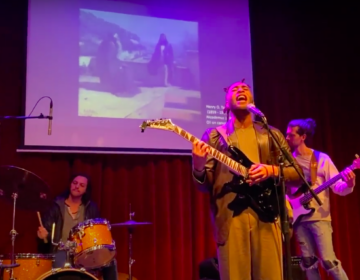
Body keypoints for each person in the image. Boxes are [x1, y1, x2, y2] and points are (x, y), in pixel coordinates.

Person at [192, 80, 303, 280]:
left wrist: (271, 170)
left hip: (268, 216)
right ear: (226, 104)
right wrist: (198, 164)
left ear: (252, 101)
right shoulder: (215, 136)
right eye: (235, 89)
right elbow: (204, 185)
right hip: (231, 217)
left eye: (245, 89)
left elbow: (297, 174)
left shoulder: (271, 133)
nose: (241, 90)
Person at [285, 118, 356, 280]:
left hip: (320, 219)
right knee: (308, 262)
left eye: (291, 135)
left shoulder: (321, 158)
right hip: (298, 219)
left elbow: (338, 187)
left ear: (303, 137)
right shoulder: (287, 161)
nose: (287, 138)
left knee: (328, 260)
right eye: (287, 134)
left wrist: (349, 183)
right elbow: (285, 190)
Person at [37, 173, 118, 280]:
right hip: (60, 250)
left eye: (82, 185)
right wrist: (43, 236)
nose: (77, 186)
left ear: (86, 190)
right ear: (70, 185)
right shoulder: (55, 205)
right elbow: (46, 234)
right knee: (61, 263)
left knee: (110, 261)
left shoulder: (91, 208)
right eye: (75, 183)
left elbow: (97, 234)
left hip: (83, 252)